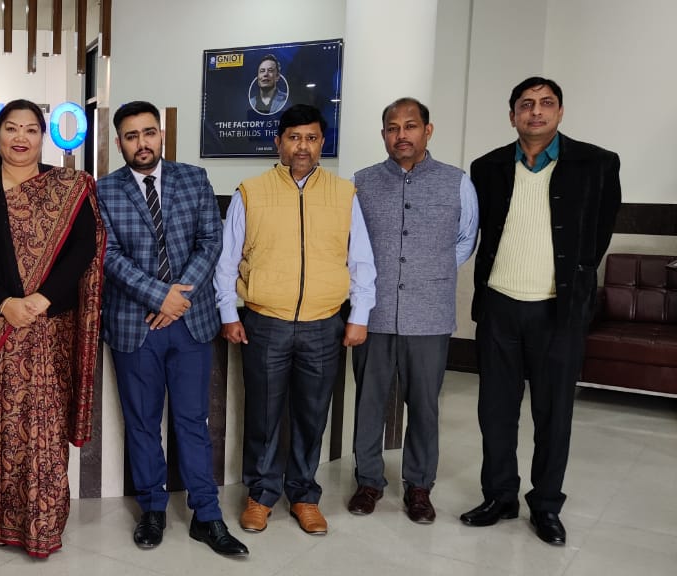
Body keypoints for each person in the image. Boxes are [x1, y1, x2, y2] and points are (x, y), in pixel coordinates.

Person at [460, 77, 620, 546]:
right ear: (512, 115)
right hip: (499, 305)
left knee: (553, 415)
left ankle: (546, 504)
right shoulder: (487, 167)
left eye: (546, 103)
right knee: (496, 411)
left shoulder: (597, 163)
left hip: (559, 310)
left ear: (560, 112)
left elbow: (599, 232)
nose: (536, 111)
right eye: (526, 104)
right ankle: (500, 496)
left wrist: (573, 278)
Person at [0, 99, 104, 558]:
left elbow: (83, 248)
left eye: (31, 129)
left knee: (46, 426)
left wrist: (42, 298)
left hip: (51, 324)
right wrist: (5, 303)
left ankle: (45, 522)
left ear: (43, 136)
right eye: (11, 128)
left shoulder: (67, 188)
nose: (21, 138)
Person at [215, 103, 376, 536]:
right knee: (263, 416)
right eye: (293, 137)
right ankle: (261, 494)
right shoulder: (251, 192)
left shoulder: (344, 194)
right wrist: (228, 312)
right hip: (265, 322)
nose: (302, 146)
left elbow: (361, 260)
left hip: (324, 324)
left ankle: (304, 495)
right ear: (279, 142)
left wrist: (359, 315)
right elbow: (227, 262)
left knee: (312, 415)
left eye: (311, 138)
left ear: (322, 143)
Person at [97, 101, 247, 557]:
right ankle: (152, 509)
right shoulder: (104, 190)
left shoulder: (193, 179)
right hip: (135, 325)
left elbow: (211, 240)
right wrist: (158, 296)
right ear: (119, 142)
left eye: (148, 133)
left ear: (161, 134)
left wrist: (178, 297)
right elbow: (108, 254)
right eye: (131, 136)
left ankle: (207, 515)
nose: (141, 143)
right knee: (142, 423)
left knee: (193, 422)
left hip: (190, 323)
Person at [346, 98, 478, 524]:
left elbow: (466, 238)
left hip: (430, 313)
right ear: (384, 134)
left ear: (427, 130)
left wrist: (433, 270)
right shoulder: (362, 182)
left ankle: (419, 486)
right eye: (392, 128)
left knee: (424, 405)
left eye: (410, 126)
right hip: (374, 312)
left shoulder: (457, 182)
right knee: (369, 402)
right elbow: (349, 243)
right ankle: (368, 480)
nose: (401, 135)